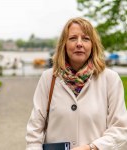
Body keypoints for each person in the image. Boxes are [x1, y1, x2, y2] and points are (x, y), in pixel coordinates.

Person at [25, 17, 127, 150]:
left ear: (93, 45)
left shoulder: (110, 79)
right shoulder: (48, 78)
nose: (79, 43)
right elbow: (34, 130)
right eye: (73, 38)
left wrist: (92, 147)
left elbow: (120, 129)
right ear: (64, 44)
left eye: (85, 38)